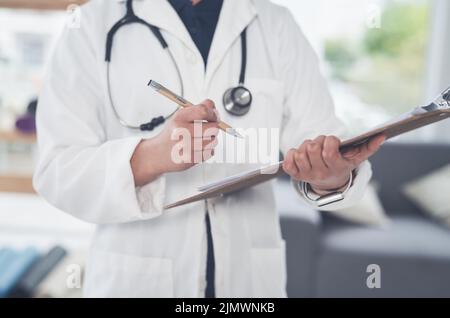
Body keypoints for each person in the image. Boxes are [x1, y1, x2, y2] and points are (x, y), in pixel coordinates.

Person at [34, 0, 384, 298]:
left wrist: (332, 176)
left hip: (249, 284)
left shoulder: (275, 25)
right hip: (137, 278)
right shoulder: (90, 25)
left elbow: (321, 139)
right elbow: (57, 169)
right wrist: (152, 155)